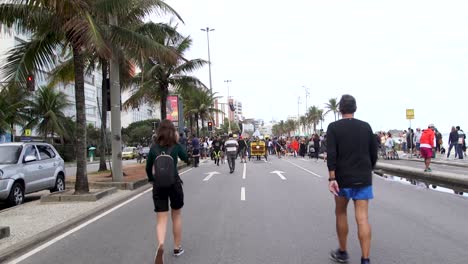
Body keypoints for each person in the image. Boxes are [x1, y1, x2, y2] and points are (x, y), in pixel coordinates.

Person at [327, 95, 377, 264]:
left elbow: (332, 154)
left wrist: (332, 177)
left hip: (342, 178)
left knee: (340, 212)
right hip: (363, 177)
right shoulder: (366, 127)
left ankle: (342, 252)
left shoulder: (333, 127)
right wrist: (367, 169)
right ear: (355, 108)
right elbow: (373, 153)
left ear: (340, 109)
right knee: (362, 218)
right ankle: (365, 259)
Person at [145, 120, 189, 264]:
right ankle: (177, 248)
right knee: (176, 215)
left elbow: (148, 168)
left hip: (158, 185)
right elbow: (186, 158)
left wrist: (152, 179)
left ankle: (161, 244)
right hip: (174, 183)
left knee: (161, 218)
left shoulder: (153, 148)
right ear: (173, 131)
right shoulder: (176, 146)